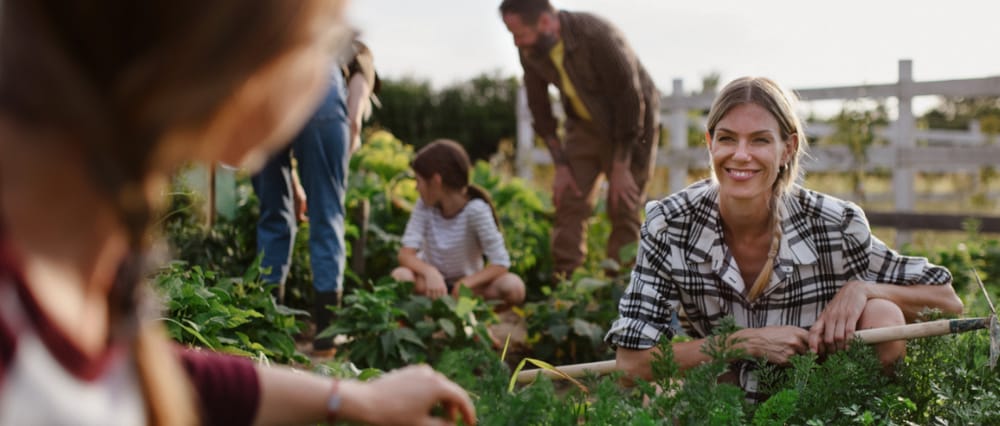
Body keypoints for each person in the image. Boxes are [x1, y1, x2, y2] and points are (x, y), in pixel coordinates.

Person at [0, 1, 475, 425]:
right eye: (324, 37)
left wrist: (351, 400)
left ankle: (280, 312)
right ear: (252, 55)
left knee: (285, 217)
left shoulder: (69, 266)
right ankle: (312, 325)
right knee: (320, 217)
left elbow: (136, 375)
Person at [604, 77, 964, 400]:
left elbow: (947, 302)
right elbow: (630, 365)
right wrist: (744, 342)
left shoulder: (834, 224)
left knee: (883, 314)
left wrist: (864, 289)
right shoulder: (670, 224)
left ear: (787, 148)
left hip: (822, 395)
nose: (740, 155)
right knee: (657, 399)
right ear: (710, 143)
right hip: (723, 398)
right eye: (728, 138)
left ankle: (877, 411)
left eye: (760, 140)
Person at [499, 0, 660, 278]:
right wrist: (560, 165)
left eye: (521, 34)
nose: (516, 43)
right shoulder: (531, 50)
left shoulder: (597, 36)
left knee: (623, 204)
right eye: (512, 35)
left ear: (546, 23)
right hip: (583, 126)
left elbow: (630, 100)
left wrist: (621, 166)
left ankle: (622, 287)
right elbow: (540, 108)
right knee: (568, 199)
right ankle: (566, 286)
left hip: (631, 126)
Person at [252, 36, 379, 353]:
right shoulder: (326, 28)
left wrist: (290, 181)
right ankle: (326, 331)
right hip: (319, 87)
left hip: (262, 90)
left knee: (273, 216)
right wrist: (353, 119)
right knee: (327, 214)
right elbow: (362, 60)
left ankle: (269, 327)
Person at [391, 140, 526, 307]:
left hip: (468, 289)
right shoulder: (424, 206)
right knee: (401, 276)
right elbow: (405, 254)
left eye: (418, 181)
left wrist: (465, 283)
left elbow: (500, 263)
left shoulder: (475, 210)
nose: (416, 188)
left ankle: (476, 318)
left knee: (514, 287)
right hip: (432, 286)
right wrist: (430, 272)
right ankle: (430, 315)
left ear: (436, 181)